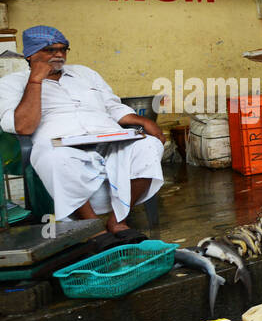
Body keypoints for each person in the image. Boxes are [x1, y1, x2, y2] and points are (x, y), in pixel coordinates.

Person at [0, 26, 164, 236]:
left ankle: (118, 221)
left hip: (107, 136)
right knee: (55, 158)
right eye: (50, 50)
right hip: (60, 144)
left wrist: (141, 120)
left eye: (63, 49)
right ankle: (93, 227)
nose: (59, 54)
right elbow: (24, 126)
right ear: (31, 55)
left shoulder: (85, 74)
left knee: (148, 145)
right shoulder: (10, 84)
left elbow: (111, 105)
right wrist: (35, 80)